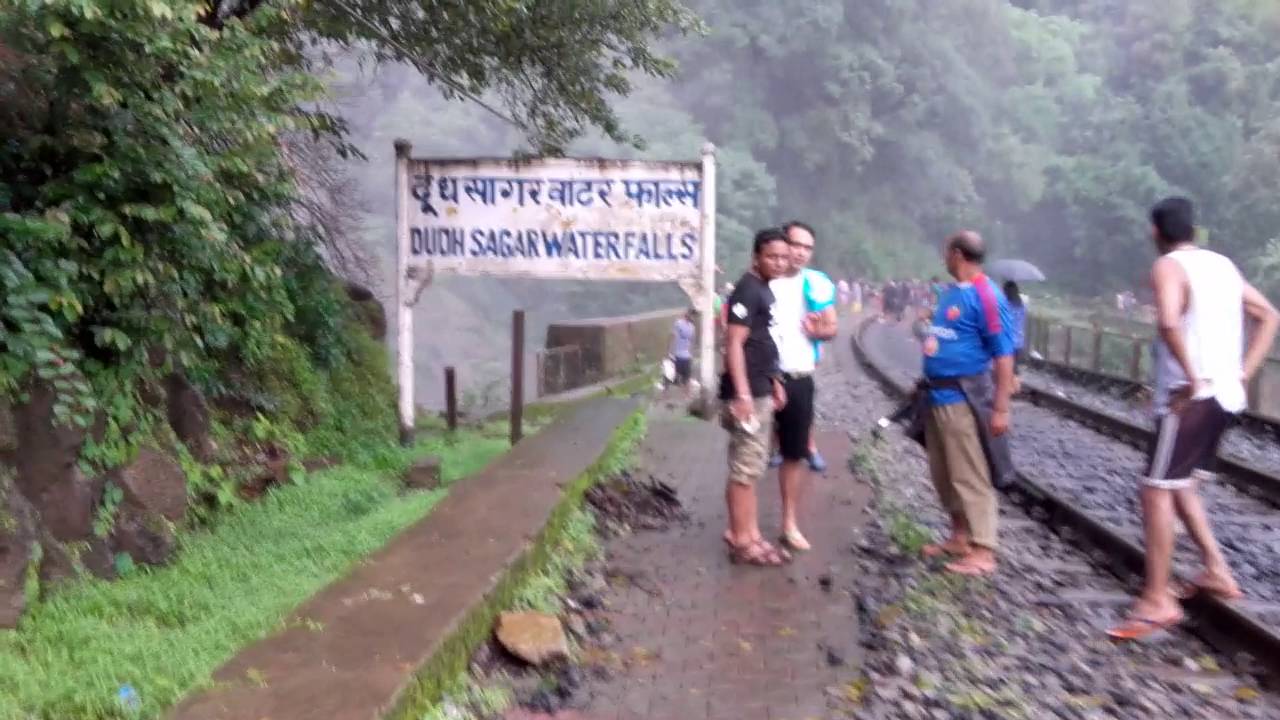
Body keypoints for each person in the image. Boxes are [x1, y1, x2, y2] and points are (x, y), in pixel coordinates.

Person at [1108, 198, 1279, 640]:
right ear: (1194, 229)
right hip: (1226, 396)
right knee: (1180, 484)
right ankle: (1217, 570)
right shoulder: (1222, 265)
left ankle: (1157, 598)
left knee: (1156, 491)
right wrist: (1242, 371)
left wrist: (1190, 376)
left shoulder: (1168, 267)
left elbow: (1167, 322)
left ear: (1155, 232)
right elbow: (1268, 315)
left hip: (1190, 399)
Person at [920, 231, 1016, 576]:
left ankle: (984, 549)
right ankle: (959, 536)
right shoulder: (951, 293)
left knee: (969, 474)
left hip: (963, 398)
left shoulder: (987, 296)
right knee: (945, 472)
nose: (944, 257)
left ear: (957, 254)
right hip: (936, 394)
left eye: (947, 251)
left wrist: (1001, 408)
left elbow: (1004, 356)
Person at [757, 221, 838, 552]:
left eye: (807, 248)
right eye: (795, 245)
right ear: (781, 244)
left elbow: (831, 327)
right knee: (750, 453)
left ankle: (789, 523)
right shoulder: (764, 283)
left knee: (794, 455)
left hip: (799, 378)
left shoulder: (815, 285)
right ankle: (744, 527)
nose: (801, 253)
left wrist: (818, 331)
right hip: (762, 379)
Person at [720, 228, 792, 566]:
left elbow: (762, 339)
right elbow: (734, 343)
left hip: (761, 387)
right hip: (748, 393)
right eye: (771, 257)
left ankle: (749, 533)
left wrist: (774, 379)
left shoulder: (763, 288)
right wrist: (744, 394)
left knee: (752, 466)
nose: (779, 263)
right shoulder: (748, 290)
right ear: (756, 257)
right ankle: (741, 539)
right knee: (745, 468)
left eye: (783, 257)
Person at [1003, 280, 1027, 374]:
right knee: (1014, 368)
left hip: (1007, 340)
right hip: (1019, 340)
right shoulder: (1022, 305)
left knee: (1006, 369)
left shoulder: (1005, 305)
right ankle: (1015, 385)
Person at [668, 308, 696, 388]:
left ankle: (684, 395)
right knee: (680, 380)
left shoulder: (691, 327)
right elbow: (672, 337)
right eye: (692, 315)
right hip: (679, 356)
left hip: (685, 357)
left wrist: (691, 354)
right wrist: (670, 352)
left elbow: (691, 341)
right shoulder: (679, 324)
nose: (693, 317)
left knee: (684, 380)